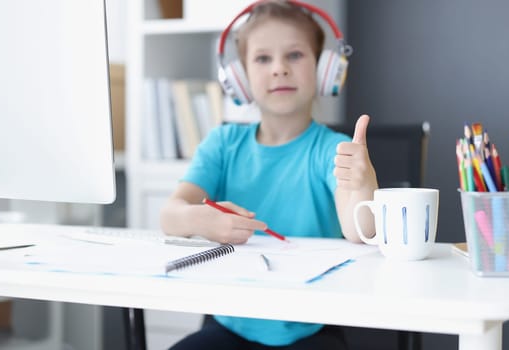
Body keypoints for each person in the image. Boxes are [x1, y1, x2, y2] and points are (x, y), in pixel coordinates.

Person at [160, 1, 378, 349]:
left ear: (325, 69)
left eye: (294, 55)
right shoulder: (223, 143)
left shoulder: (332, 150)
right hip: (230, 324)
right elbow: (170, 215)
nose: (279, 69)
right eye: (263, 59)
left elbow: (359, 230)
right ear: (240, 78)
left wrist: (364, 187)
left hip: (311, 329)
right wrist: (198, 220)